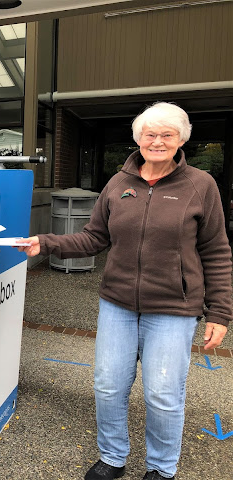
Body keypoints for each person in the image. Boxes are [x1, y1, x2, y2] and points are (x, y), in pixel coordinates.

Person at [17, 102, 231, 480]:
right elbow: (93, 238)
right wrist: (45, 243)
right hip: (118, 303)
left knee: (163, 394)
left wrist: (220, 312)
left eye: (167, 134)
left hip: (174, 306)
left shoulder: (201, 185)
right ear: (138, 138)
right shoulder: (118, 184)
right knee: (108, 386)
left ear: (181, 139)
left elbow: (216, 251)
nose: (158, 141)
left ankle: (161, 468)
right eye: (150, 134)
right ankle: (113, 457)